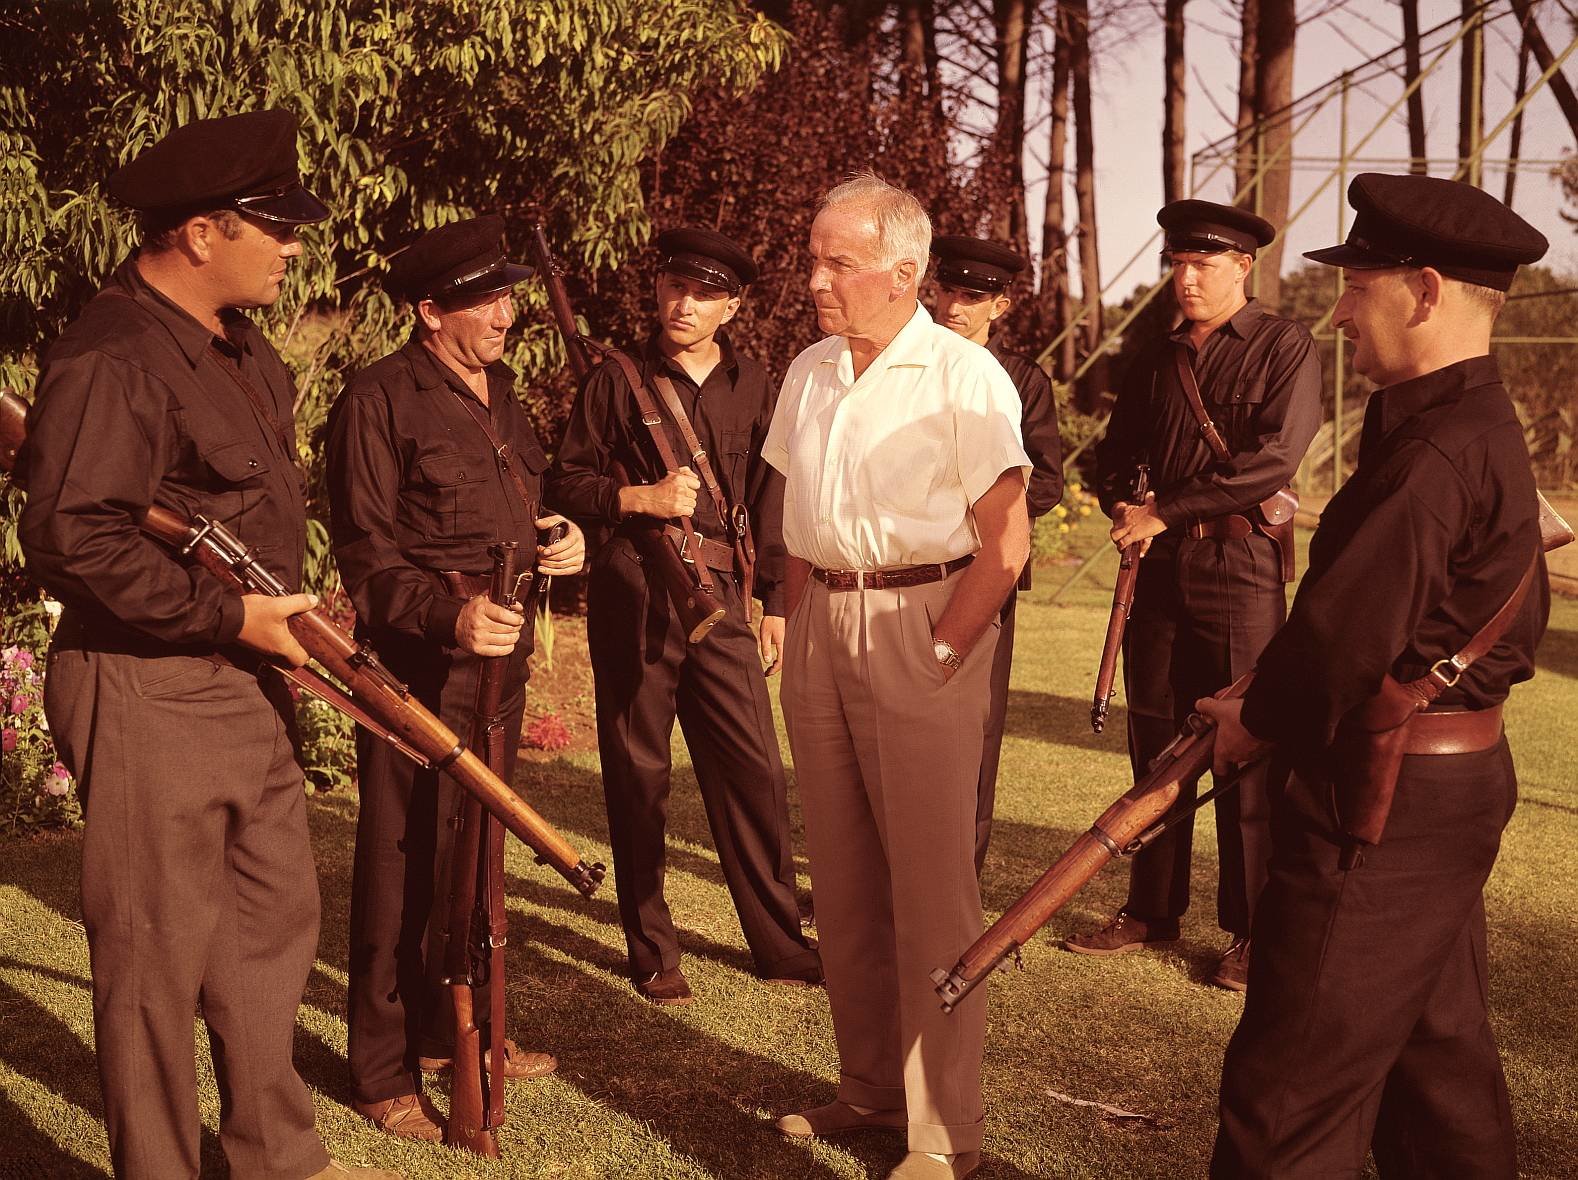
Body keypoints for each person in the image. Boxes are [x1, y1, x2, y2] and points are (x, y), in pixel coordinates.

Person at [19, 110, 398, 1180]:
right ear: (200, 233)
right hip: (148, 682)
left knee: (272, 923)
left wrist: (283, 606)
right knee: (152, 953)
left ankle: (277, 1154)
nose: (294, 249)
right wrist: (230, 615)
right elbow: (67, 533)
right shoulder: (115, 354)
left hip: (244, 675)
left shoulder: (237, 353)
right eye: (274, 230)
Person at [1203, 173, 1549, 1178]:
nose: (1341, 312)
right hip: (1444, 792)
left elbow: (1335, 651)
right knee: (1437, 1071)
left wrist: (1248, 713)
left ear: (1428, 290)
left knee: (1287, 1098)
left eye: (1361, 287)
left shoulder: (1437, 451)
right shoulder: (1469, 426)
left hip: (1380, 806)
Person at [767, 173, 1031, 1180]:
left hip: (925, 621)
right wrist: (795, 617)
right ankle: (870, 1087)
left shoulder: (964, 378)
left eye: (839, 261)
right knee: (842, 879)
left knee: (931, 893)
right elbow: (797, 517)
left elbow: (1005, 545)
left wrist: (945, 649)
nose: (815, 279)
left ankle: (943, 1133)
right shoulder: (810, 370)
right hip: (825, 622)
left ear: (906, 271)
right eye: (814, 257)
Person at [326, 216, 585, 1140]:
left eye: (509, 296)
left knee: (474, 861)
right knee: (399, 865)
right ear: (430, 310)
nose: (507, 314)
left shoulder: (503, 392)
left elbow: (525, 503)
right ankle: (382, 1069)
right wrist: (449, 616)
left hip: (499, 669)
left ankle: (458, 1032)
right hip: (416, 672)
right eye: (486, 300)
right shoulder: (377, 399)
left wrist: (563, 541)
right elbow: (365, 552)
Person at [547, 226, 821, 1004]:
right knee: (640, 774)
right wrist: (637, 499)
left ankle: (778, 942)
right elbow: (564, 482)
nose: (683, 303)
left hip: (726, 598)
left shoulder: (755, 380)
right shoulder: (615, 380)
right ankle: (652, 947)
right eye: (674, 286)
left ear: (732, 306)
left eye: (704, 293)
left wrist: (776, 602)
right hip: (636, 589)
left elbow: (774, 494)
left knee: (756, 772)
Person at [1066, 199, 1322, 991]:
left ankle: (1251, 932)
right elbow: (1114, 453)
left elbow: (1273, 461)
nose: (1186, 278)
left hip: (1240, 568)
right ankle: (1150, 910)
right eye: (1177, 263)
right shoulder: (1156, 352)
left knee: (1245, 748)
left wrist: (1165, 509)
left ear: (1243, 267)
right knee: (1156, 742)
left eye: (1203, 265)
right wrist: (1120, 504)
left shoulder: (1285, 346)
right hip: (1162, 570)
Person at [929, 234, 1064, 873]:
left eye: (973, 296)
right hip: (901, 573)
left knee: (976, 729)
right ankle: (886, 878)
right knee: (894, 728)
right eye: (947, 290)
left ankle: (958, 877)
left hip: (984, 571)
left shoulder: (1023, 382)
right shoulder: (905, 367)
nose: (955, 306)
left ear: (1000, 306)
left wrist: (962, 510)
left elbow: (1048, 481)